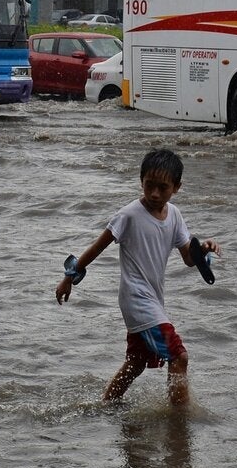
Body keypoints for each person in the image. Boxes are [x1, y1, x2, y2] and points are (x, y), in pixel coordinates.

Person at [55, 149, 220, 407]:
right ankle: (179, 419)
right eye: (149, 185)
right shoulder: (129, 215)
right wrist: (69, 277)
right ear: (140, 180)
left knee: (137, 362)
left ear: (176, 187)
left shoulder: (174, 215)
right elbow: (98, 246)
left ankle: (105, 405)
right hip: (136, 299)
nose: (154, 193)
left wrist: (203, 250)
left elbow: (189, 258)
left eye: (162, 188)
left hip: (152, 299)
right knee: (180, 356)